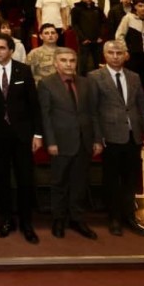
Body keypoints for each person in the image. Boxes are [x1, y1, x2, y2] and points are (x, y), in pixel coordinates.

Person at [0, 33, 43, 244]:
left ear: (11, 50)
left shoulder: (23, 70)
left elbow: (34, 105)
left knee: (25, 179)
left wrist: (37, 134)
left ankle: (26, 222)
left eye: (2, 48)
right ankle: (6, 219)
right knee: (2, 179)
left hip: (23, 135)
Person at [92, 41, 144, 237]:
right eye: (111, 52)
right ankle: (114, 217)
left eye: (119, 53)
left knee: (130, 178)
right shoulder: (94, 77)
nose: (115, 56)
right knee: (112, 179)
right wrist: (98, 137)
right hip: (110, 136)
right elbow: (92, 112)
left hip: (133, 134)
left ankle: (130, 216)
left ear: (126, 55)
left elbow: (141, 106)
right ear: (104, 55)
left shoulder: (134, 77)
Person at [38, 48, 98, 240]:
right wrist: (51, 142)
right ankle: (58, 219)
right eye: (63, 60)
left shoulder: (87, 83)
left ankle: (77, 219)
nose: (68, 64)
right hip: (60, 142)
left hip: (84, 140)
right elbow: (45, 116)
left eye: (72, 60)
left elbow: (93, 113)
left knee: (80, 182)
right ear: (56, 64)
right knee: (59, 182)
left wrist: (97, 138)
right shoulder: (46, 84)